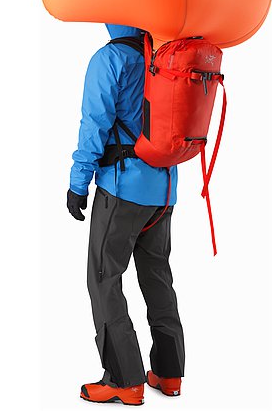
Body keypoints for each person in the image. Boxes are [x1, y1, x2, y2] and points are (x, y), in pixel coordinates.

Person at [67, 24, 185, 406]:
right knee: (157, 277)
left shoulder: (110, 59)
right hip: (164, 191)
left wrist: (78, 183)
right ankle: (169, 372)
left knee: (104, 278)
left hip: (121, 191)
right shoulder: (163, 57)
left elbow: (94, 125)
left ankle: (124, 380)